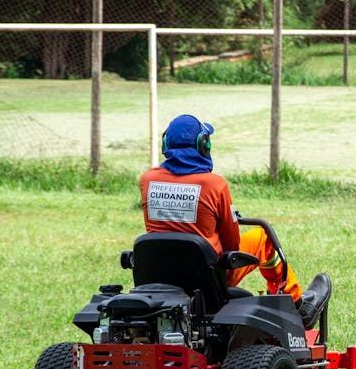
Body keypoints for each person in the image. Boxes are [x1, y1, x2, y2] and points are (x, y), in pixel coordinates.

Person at [139, 114, 330, 329]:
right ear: (204, 145)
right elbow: (232, 244)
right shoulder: (215, 185)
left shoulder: (147, 180)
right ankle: (296, 304)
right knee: (260, 237)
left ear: (166, 145)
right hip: (207, 280)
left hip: (160, 277)